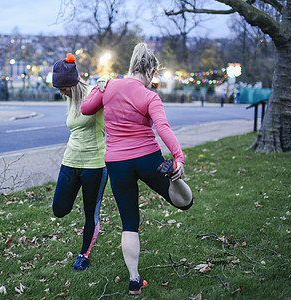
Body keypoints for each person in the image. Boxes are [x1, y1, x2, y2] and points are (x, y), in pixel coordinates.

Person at [81, 43, 193, 295]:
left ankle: (134, 280)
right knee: (185, 203)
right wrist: (179, 158)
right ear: (150, 69)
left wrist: (99, 83)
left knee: (129, 223)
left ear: (131, 65)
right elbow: (163, 128)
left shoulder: (108, 86)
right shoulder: (149, 96)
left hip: (117, 163)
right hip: (147, 158)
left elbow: (86, 109)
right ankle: (173, 177)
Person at [51, 53, 108, 271]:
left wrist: (107, 81)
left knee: (90, 213)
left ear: (72, 83)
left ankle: (84, 254)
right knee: (59, 209)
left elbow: (118, 89)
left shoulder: (95, 93)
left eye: (62, 87)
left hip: (95, 163)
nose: (60, 92)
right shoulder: (70, 98)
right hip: (70, 160)